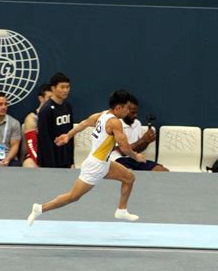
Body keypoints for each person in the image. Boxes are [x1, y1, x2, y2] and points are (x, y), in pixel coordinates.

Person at [27, 90, 146, 226]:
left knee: (129, 178)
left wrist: (68, 135)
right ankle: (40, 208)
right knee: (73, 196)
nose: (128, 111)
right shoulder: (115, 123)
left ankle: (121, 210)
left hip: (104, 163)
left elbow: (83, 123)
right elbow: (124, 147)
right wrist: (136, 156)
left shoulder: (102, 115)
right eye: (127, 108)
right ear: (118, 107)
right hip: (95, 166)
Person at [110, 94, 168, 172]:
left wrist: (147, 141)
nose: (136, 115)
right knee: (130, 175)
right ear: (125, 110)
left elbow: (139, 149)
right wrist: (142, 140)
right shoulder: (115, 124)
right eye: (133, 113)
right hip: (117, 159)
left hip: (134, 158)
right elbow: (121, 151)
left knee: (162, 170)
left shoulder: (137, 123)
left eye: (136, 112)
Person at [37, 72, 74, 168]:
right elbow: (44, 139)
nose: (65, 90)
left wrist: (71, 160)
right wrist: (50, 164)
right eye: (62, 87)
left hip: (65, 157)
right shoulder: (46, 109)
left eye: (67, 87)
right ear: (53, 88)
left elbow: (70, 134)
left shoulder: (68, 106)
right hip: (50, 159)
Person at [22, 84, 53, 168]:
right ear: (41, 98)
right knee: (28, 164)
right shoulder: (32, 118)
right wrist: (42, 161)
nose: (52, 101)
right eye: (49, 98)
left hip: (54, 156)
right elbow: (31, 146)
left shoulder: (58, 117)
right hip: (36, 155)